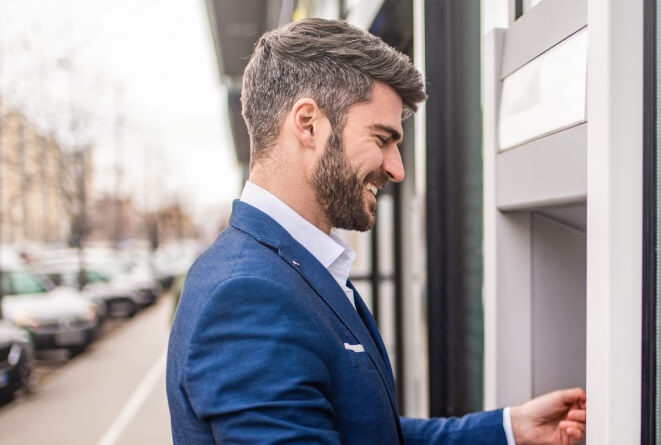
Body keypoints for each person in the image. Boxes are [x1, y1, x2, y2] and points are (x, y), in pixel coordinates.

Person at [166, 19, 586, 445]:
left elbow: (363, 433)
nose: (397, 168)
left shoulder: (287, 265)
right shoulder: (248, 296)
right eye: (382, 138)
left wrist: (509, 430)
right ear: (308, 123)